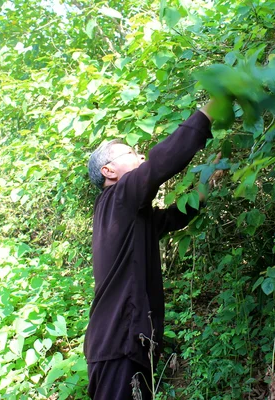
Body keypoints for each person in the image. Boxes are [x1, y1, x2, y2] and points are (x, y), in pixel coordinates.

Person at [84, 102, 218, 399]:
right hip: (118, 343)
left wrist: (206, 187)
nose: (141, 155)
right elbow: (159, 164)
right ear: (109, 170)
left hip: (125, 344)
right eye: (131, 153)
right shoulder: (119, 197)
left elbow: (173, 217)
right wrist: (206, 113)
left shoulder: (127, 215)